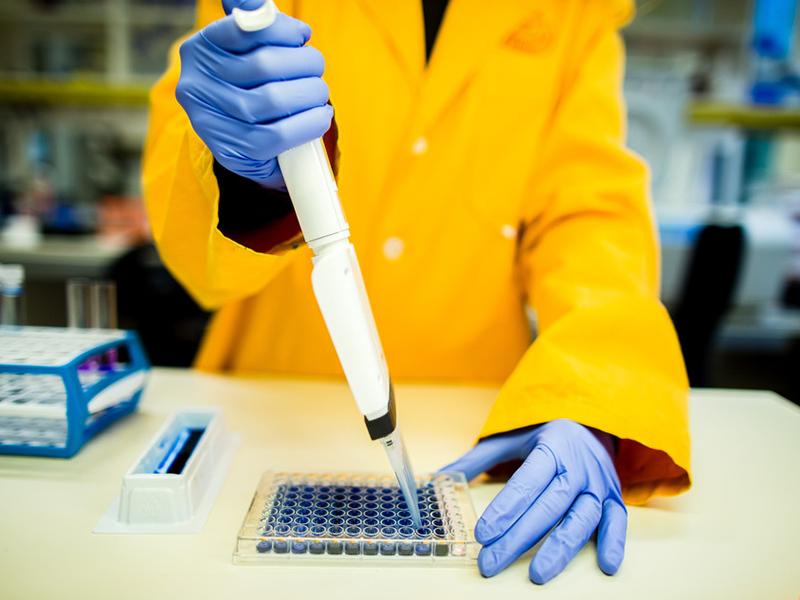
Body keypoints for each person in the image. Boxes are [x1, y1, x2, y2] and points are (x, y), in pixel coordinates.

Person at [143, 0, 691, 584]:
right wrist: (244, 179)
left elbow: (588, 222)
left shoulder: (573, 13)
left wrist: (590, 398)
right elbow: (197, 266)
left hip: (478, 435)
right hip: (273, 410)